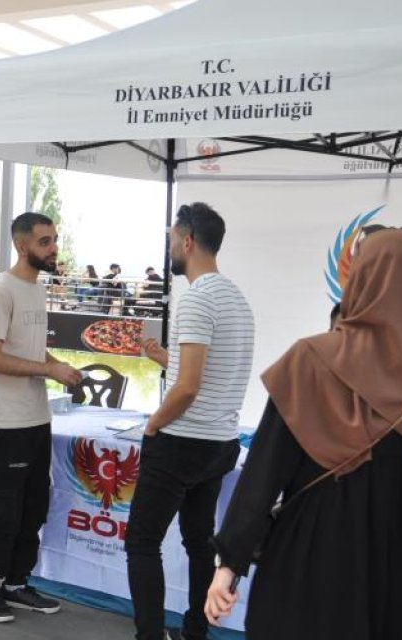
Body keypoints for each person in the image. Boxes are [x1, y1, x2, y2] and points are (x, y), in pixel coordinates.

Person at [206, 230, 402, 639]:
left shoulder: (312, 361)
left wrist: (229, 563)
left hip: (314, 557)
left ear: (362, 281)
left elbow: (263, 474)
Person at [128, 202, 255, 640]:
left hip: (182, 442)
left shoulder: (197, 298)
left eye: (170, 241)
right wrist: (166, 357)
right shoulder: (235, 298)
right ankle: (195, 630)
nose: (168, 249)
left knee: (142, 542)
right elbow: (208, 369)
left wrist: (152, 425)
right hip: (219, 443)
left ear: (187, 241)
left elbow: (187, 389)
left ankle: (150, 634)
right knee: (198, 541)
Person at [0, 213, 83, 624]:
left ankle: (17, 582)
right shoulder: (1, 291)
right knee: (3, 510)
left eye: (54, 239)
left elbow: (32, 352)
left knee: (34, 506)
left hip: (35, 419)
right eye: (45, 241)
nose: (53, 247)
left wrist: (58, 365)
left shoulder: (36, 291)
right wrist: (48, 370)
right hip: (2, 422)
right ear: (22, 246)